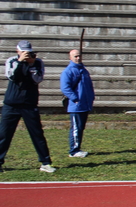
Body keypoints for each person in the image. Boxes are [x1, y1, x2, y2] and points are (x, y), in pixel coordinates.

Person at [0, 41, 54, 173]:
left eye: (28, 51)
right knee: (4, 134)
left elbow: (37, 80)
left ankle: (45, 162)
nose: (27, 54)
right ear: (18, 51)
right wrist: (20, 62)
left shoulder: (37, 62)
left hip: (29, 104)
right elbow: (13, 77)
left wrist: (30, 64)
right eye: (24, 51)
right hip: (11, 104)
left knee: (37, 134)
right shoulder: (12, 61)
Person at [60, 49, 95, 158]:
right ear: (70, 57)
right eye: (75, 56)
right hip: (76, 105)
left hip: (85, 104)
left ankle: (77, 147)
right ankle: (73, 150)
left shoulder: (84, 70)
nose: (78, 58)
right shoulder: (68, 71)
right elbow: (65, 88)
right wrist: (75, 98)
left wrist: (91, 97)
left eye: (79, 56)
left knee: (80, 128)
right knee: (75, 128)